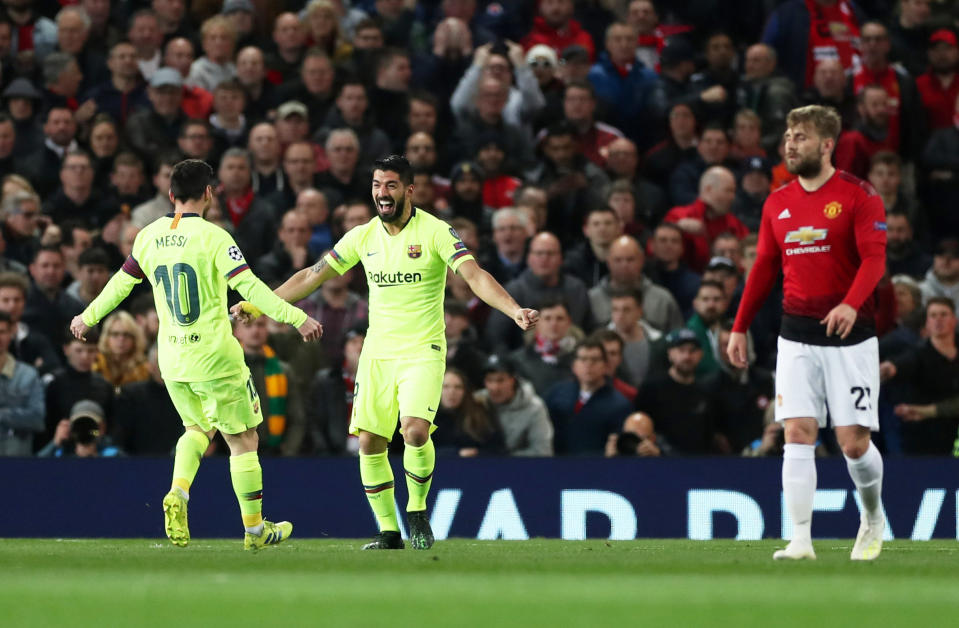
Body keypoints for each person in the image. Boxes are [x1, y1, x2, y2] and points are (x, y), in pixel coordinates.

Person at [232, 154, 538, 550]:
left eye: (390, 185)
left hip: (422, 349)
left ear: (409, 190)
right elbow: (313, 275)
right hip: (377, 352)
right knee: (370, 443)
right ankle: (389, 532)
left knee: (414, 430)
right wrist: (258, 304)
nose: (382, 193)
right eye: (377, 185)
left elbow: (474, 275)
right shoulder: (363, 236)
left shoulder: (436, 231)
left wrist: (514, 310)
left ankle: (417, 511)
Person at [71, 159, 321, 550]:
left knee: (197, 430)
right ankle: (256, 530)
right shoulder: (215, 238)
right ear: (209, 193)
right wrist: (296, 316)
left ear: (171, 195)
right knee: (244, 440)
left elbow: (120, 285)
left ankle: (179, 492)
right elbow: (250, 289)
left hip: (171, 359)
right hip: (214, 357)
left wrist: (88, 317)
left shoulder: (148, 236)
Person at [728, 105, 887, 561]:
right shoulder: (777, 202)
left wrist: (850, 304)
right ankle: (800, 540)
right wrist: (739, 326)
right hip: (794, 335)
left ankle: (873, 517)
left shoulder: (859, 196)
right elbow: (763, 267)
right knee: (796, 431)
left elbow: (875, 260)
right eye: (788, 135)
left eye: (800, 136)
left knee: (853, 443)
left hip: (850, 338)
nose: (790, 143)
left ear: (826, 145)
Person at [880, 297, 959, 456]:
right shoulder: (918, 353)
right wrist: (888, 369)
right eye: (933, 315)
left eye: (944, 314)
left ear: (954, 320)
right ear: (927, 323)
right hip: (924, 435)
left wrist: (928, 411)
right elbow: (901, 364)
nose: (938, 320)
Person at [544, 337, 631, 455]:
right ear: (574, 365)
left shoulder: (620, 405)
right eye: (583, 359)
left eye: (595, 359)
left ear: (606, 366)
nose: (588, 365)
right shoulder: (556, 393)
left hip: (597, 468)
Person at [474, 354, 553, 456]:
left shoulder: (534, 407)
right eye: (489, 380)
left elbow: (543, 452)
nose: (494, 387)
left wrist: (502, 459)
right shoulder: (477, 401)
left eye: (500, 380)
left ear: (513, 380)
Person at [432, 367, 506, 457]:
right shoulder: (427, 417)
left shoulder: (480, 415)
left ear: (465, 391)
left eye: (458, 387)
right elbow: (417, 451)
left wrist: (477, 453)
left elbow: (498, 449)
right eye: (445, 387)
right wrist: (456, 453)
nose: (451, 392)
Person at [0, 310, 45, 456]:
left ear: (12, 333)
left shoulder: (28, 375)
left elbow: (38, 419)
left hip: (18, 463)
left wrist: (3, 415)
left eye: (2, 332)